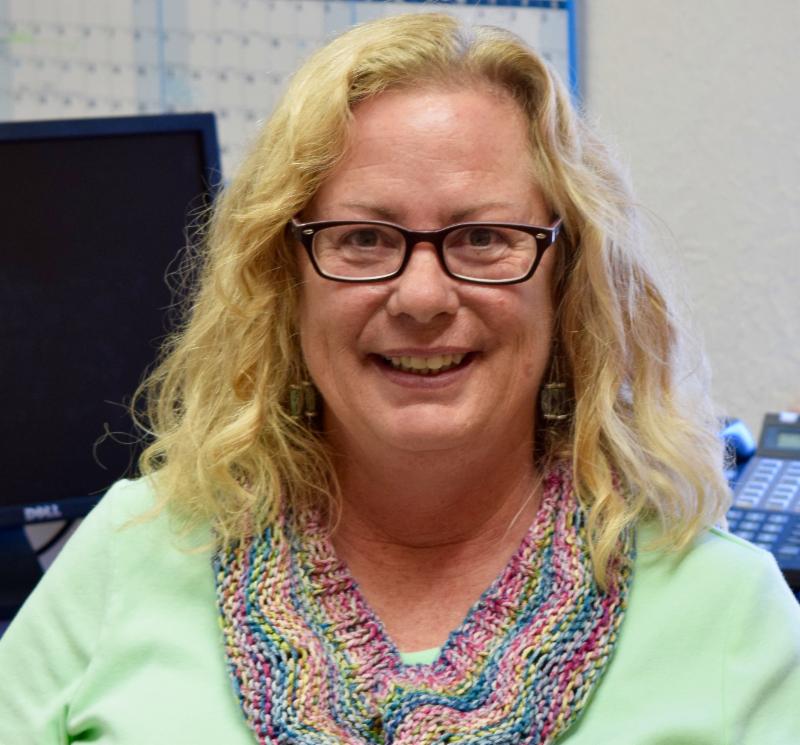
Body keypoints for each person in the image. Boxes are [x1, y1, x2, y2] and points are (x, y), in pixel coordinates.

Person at [1, 12, 798, 744]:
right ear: (286, 279)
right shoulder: (127, 551)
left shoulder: (727, 613)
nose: (421, 297)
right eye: (363, 238)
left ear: (567, 283)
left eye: (483, 237)